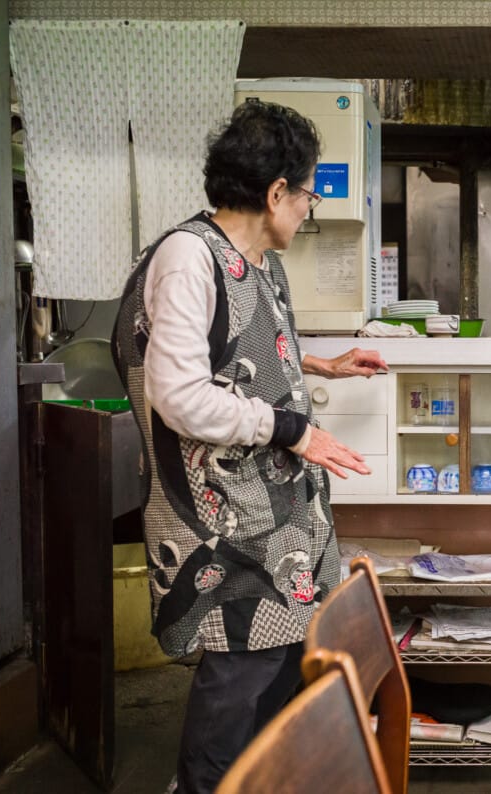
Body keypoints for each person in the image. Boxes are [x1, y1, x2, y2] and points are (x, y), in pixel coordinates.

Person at [111, 98, 389, 793]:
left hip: (271, 523)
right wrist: (297, 429)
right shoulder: (188, 257)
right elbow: (179, 396)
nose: (308, 210)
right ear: (275, 193)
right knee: (238, 676)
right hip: (221, 526)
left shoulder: (252, 257)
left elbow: (233, 354)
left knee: (274, 673)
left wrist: (320, 365)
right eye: (307, 195)